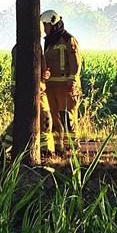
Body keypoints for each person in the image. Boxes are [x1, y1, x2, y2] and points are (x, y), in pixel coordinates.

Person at [0, 39, 54, 153]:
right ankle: (46, 152)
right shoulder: (25, 48)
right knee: (43, 119)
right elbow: (27, 69)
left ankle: (2, 146)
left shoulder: (33, 47)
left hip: (37, 89)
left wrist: (45, 74)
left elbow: (41, 68)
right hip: (29, 90)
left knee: (30, 118)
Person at [41, 9, 82, 153]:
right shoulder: (47, 43)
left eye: (45, 25)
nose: (44, 29)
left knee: (67, 117)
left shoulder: (68, 39)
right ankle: (58, 147)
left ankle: (72, 148)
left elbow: (76, 63)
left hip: (65, 86)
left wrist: (72, 81)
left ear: (52, 24)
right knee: (54, 118)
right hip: (51, 86)